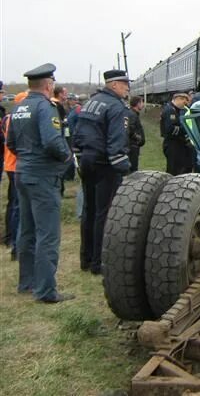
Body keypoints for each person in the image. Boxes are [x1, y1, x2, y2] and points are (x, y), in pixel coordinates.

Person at [5, 64, 73, 303]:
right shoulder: (45, 108)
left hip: (23, 173)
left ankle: (27, 282)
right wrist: (67, 156)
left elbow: (11, 142)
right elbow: (53, 142)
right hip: (43, 176)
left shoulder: (20, 107)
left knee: (27, 230)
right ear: (48, 85)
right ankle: (45, 290)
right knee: (48, 234)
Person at [73, 69, 131, 275]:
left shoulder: (92, 101)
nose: (127, 87)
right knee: (104, 213)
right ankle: (99, 262)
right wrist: (125, 169)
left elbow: (78, 133)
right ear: (114, 84)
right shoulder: (116, 107)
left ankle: (86, 258)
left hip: (87, 161)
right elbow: (116, 141)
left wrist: (80, 155)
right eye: (124, 84)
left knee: (89, 209)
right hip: (104, 164)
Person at [2, 91, 27, 260]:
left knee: (14, 204)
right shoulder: (17, 119)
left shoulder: (9, 118)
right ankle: (15, 244)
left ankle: (11, 239)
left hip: (11, 164)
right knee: (19, 207)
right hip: (17, 164)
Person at [161, 92, 193, 175]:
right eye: (184, 102)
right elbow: (171, 129)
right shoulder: (170, 110)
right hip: (173, 144)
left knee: (179, 167)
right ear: (179, 99)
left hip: (175, 143)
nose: (185, 105)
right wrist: (185, 130)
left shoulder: (174, 110)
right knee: (174, 170)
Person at [126, 96, 146, 173]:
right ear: (137, 104)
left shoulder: (133, 113)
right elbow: (130, 129)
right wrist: (138, 138)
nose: (143, 104)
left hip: (133, 145)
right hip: (132, 146)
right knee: (133, 169)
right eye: (142, 102)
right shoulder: (133, 114)